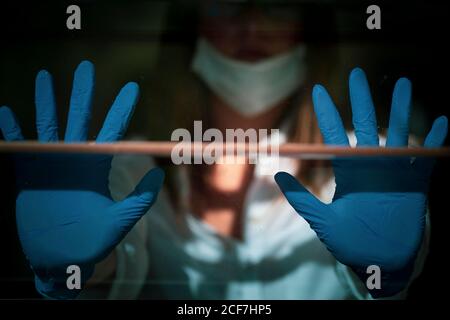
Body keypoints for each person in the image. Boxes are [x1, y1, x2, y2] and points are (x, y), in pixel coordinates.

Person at [0, 1, 447, 299]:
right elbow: (112, 267)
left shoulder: (368, 165)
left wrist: (382, 277)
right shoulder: (121, 166)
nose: (250, 25)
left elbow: (391, 265)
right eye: (225, 3)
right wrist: (74, 271)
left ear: (307, 31)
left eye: (274, 4)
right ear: (191, 27)